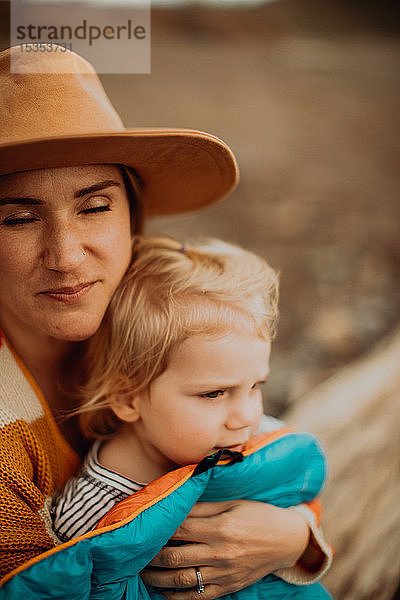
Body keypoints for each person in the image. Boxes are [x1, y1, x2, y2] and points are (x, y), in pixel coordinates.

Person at [0, 44, 331, 598]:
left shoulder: (173, 308)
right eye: (17, 218)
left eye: (94, 206)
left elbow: (262, 450)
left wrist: (295, 537)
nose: (66, 256)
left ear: (134, 214)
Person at [51, 235, 332, 599]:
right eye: (214, 393)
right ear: (127, 397)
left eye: (255, 385)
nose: (246, 415)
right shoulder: (91, 518)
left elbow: (295, 488)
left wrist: (298, 539)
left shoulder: (252, 436)